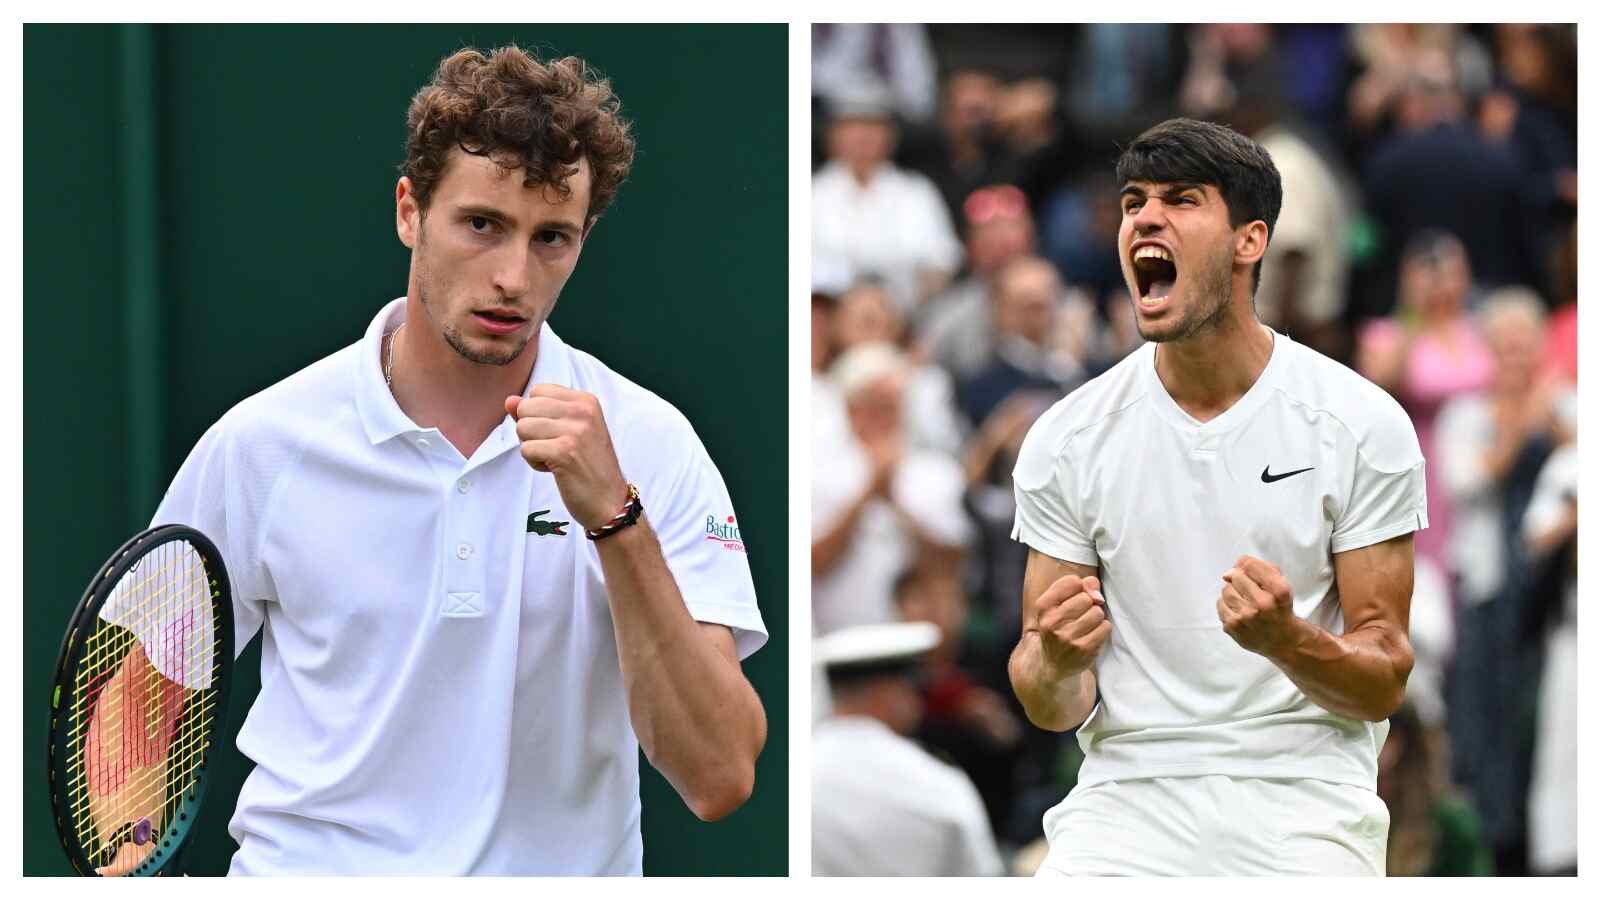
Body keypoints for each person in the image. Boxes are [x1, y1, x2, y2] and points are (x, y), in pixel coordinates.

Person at [106, 45, 768, 875]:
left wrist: (615, 520)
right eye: (482, 224)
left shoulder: (652, 444)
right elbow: (134, 710)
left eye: (552, 238)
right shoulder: (260, 443)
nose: (513, 277)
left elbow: (719, 777)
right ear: (410, 211)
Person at [1008, 118, 1425, 876]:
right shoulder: (1067, 440)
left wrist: (1286, 641)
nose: (1145, 219)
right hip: (1123, 811)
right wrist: (1058, 662)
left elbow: (1383, 679)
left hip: (1305, 805)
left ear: (1250, 241)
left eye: (1181, 200)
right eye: (1134, 202)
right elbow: (1052, 702)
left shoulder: (1361, 425)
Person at [812, 622, 1004, 876]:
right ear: (886, 693)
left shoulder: (794, 774)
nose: (916, 700)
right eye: (911, 686)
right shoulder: (937, 783)